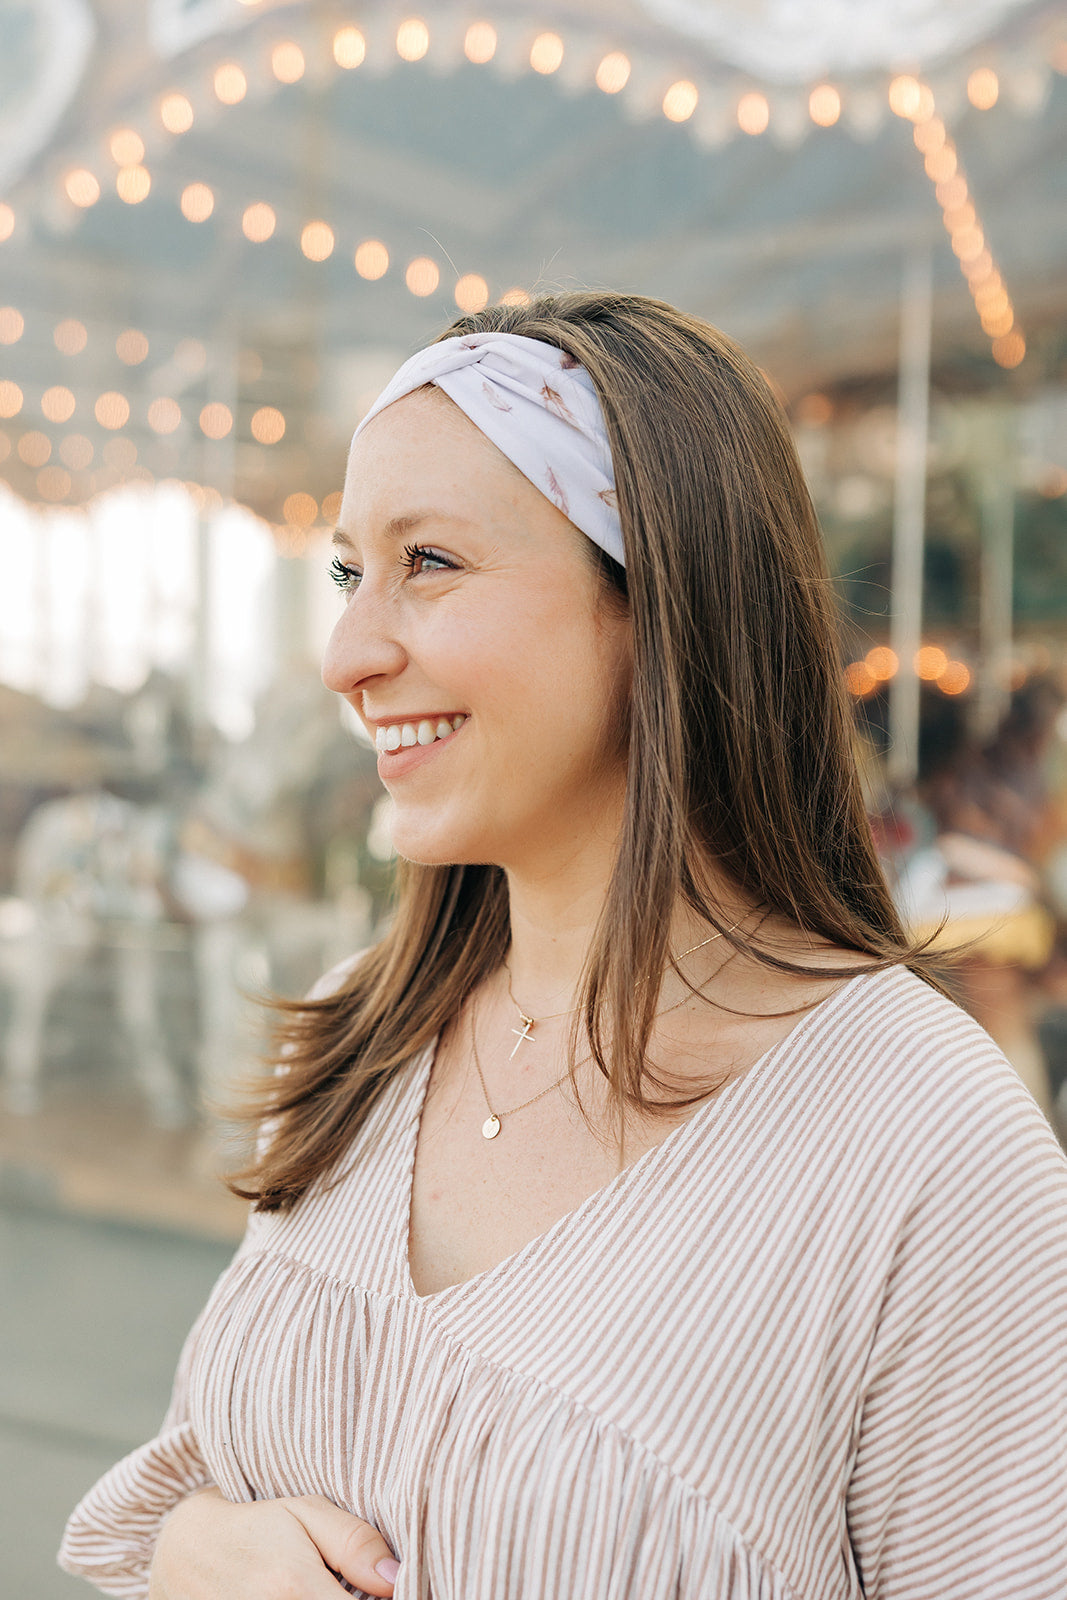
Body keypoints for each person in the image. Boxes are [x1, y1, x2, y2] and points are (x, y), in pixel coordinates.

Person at [60, 293, 1067, 1599]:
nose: (350, 653)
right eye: (351, 572)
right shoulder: (363, 1028)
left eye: (432, 562)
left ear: (660, 605)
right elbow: (209, 1471)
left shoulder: (932, 1153)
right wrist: (197, 1549)